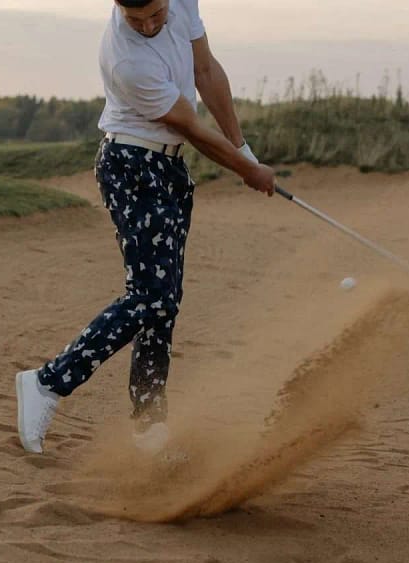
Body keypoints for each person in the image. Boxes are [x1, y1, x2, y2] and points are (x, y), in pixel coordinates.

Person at [16, 0, 276, 456]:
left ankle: (149, 425)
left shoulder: (182, 3)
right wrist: (245, 170)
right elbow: (192, 128)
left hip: (169, 169)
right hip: (130, 166)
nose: (150, 25)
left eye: (157, 14)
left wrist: (243, 146)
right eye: (136, 20)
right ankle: (46, 383)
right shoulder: (125, 59)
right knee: (151, 295)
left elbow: (206, 70)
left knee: (165, 301)